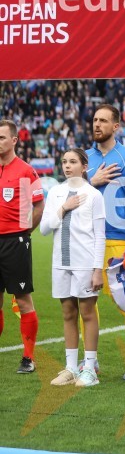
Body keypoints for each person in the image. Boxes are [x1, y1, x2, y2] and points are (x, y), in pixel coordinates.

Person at [85, 104, 125, 380]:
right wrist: (91, 180)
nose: (97, 125)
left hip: (119, 239)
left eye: (103, 121)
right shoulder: (84, 158)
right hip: (86, 240)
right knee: (86, 301)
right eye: (95, 120)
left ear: (116, 126)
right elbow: (71, 195)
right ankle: (91, 361)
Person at [40, 149, 105, 387]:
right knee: (68, 313)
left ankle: (89, 369)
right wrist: (64, 208)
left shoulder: (93, 195)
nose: (67, 166)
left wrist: (97, 269)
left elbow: (100, 235)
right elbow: (45, 228)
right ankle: (70, 367)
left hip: (85, 263)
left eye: (73, 162)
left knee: (88, 314)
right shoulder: (56, 193)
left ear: (84, 166)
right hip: (61, 262)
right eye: (65, 162)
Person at [0, 120, 44, 374]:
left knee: (23, 300)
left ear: (14, 140)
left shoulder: (26, 171)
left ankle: (28, 358)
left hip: (14, 242)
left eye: (2, 137)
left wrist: (26, 231)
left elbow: (39, 206)